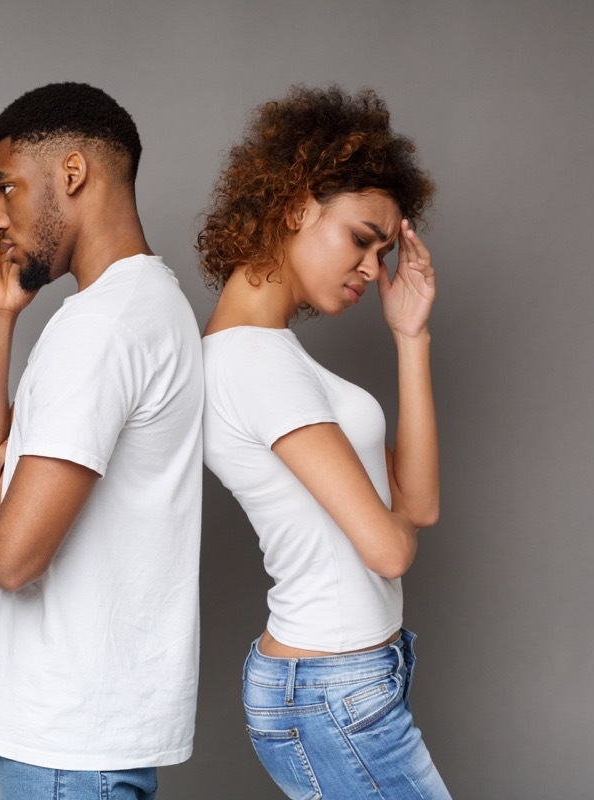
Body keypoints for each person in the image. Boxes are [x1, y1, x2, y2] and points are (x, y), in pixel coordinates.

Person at [197, 85, 451, 798]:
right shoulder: (255, 362)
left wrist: (411, 338)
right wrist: (390, 527)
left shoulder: (272, 355)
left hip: (346, 680)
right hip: (332, 690)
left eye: (382, 249)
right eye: (362, 239)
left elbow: (418, 506)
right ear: (298, 204)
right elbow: (391, 547)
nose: (374, 268)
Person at [0, 82, 203, 800]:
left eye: (6, 188)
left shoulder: (105, 328)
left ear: (72, 173)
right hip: (80, 738)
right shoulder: (138, 308)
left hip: (71, 746)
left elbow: (10, 555)